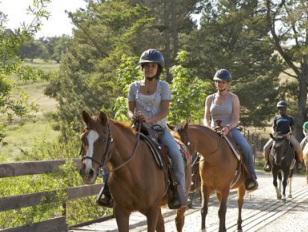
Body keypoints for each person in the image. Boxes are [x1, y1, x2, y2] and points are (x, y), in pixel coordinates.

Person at [97, 49, 187, 209]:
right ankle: (107, 191)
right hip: (136, 128)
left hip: (159, 129)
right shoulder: (133, 87)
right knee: (111, 150)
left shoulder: (164, 87)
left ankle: (178, 192)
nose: (149, 69)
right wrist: (133, 116)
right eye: (146, 66)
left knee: (176, 153)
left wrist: (149, 119)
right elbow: (129, 109)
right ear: (142, 68)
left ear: (158, 68)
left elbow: (164, 111)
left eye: (153, 66)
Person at [203, 69, 258, 191]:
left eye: (222, 82)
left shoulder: (233, 98)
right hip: (213, 130)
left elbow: (236, 118)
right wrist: (208, 128)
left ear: (228, 83)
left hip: (230, 129)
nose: (220, 84)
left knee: (246, 148)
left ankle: (251, 176)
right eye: (217, 82)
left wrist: (228, 127)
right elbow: (206, 118)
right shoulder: (209, 99)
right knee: (196, 149)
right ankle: (192, 178)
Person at [263, 101, 304, 172]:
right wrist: (273, 133)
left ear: (285, 109)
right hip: (277, 136)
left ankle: (299, 162)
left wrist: (291, 132)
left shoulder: (289, 118)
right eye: (279, 109)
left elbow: (293, 127)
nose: (280, 110)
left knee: (298, 146)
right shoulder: (276, 118)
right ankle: (267, 162)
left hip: (287, 135)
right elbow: (273, 127)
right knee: (266, 147)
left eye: (282, 108)